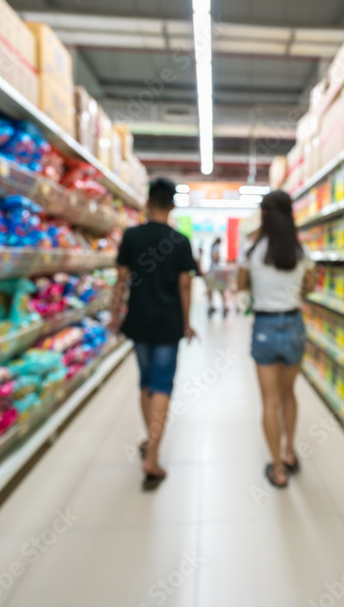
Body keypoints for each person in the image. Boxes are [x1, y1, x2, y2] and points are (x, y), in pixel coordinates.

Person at [110, 178, 197, 490]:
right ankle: (153, 456)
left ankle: (150, 439)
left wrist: (114, 315)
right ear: (172, 205)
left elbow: (121, 280)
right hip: (168, 323)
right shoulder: (180, 241)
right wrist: (187, 322)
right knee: (162, 385)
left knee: (146, 382)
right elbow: (185, 285)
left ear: (148, 203)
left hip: (138, 320)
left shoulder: (132, 236)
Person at [237, 190, 315, 489]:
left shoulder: (252, 252)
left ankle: (278, 469)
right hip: (293, 323)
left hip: (265, 325)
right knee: (289, 395)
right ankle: (290, 451)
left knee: (269, 402)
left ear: (265, 215)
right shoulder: (300, 251)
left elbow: (240, 284)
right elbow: (309, 287)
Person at [205, 237, 231, 317]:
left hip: (213, 269)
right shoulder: (216, 247)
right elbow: (216, 256)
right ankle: (223, 305)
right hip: (216, 271)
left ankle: (211, 305)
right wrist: (221, 259)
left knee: (211, 289)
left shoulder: (212, 247)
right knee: (221, 288)